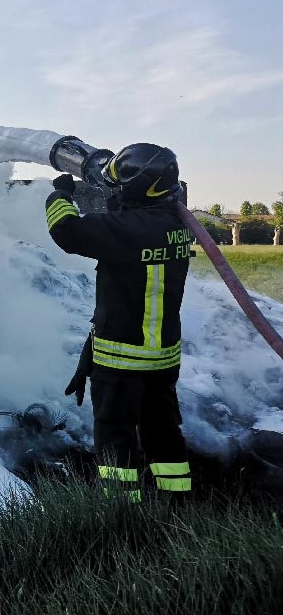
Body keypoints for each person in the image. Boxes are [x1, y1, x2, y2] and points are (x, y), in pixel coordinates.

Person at [46, 143, 192, 502]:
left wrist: (60, 195)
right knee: (163, 431)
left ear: (140, 185)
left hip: (122, 356)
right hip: (162, 356)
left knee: (115, 433)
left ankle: (121, 506)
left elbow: (66, 231)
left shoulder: (127, 230)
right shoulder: (177, 223)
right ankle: (175, 501)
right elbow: (133, 218)